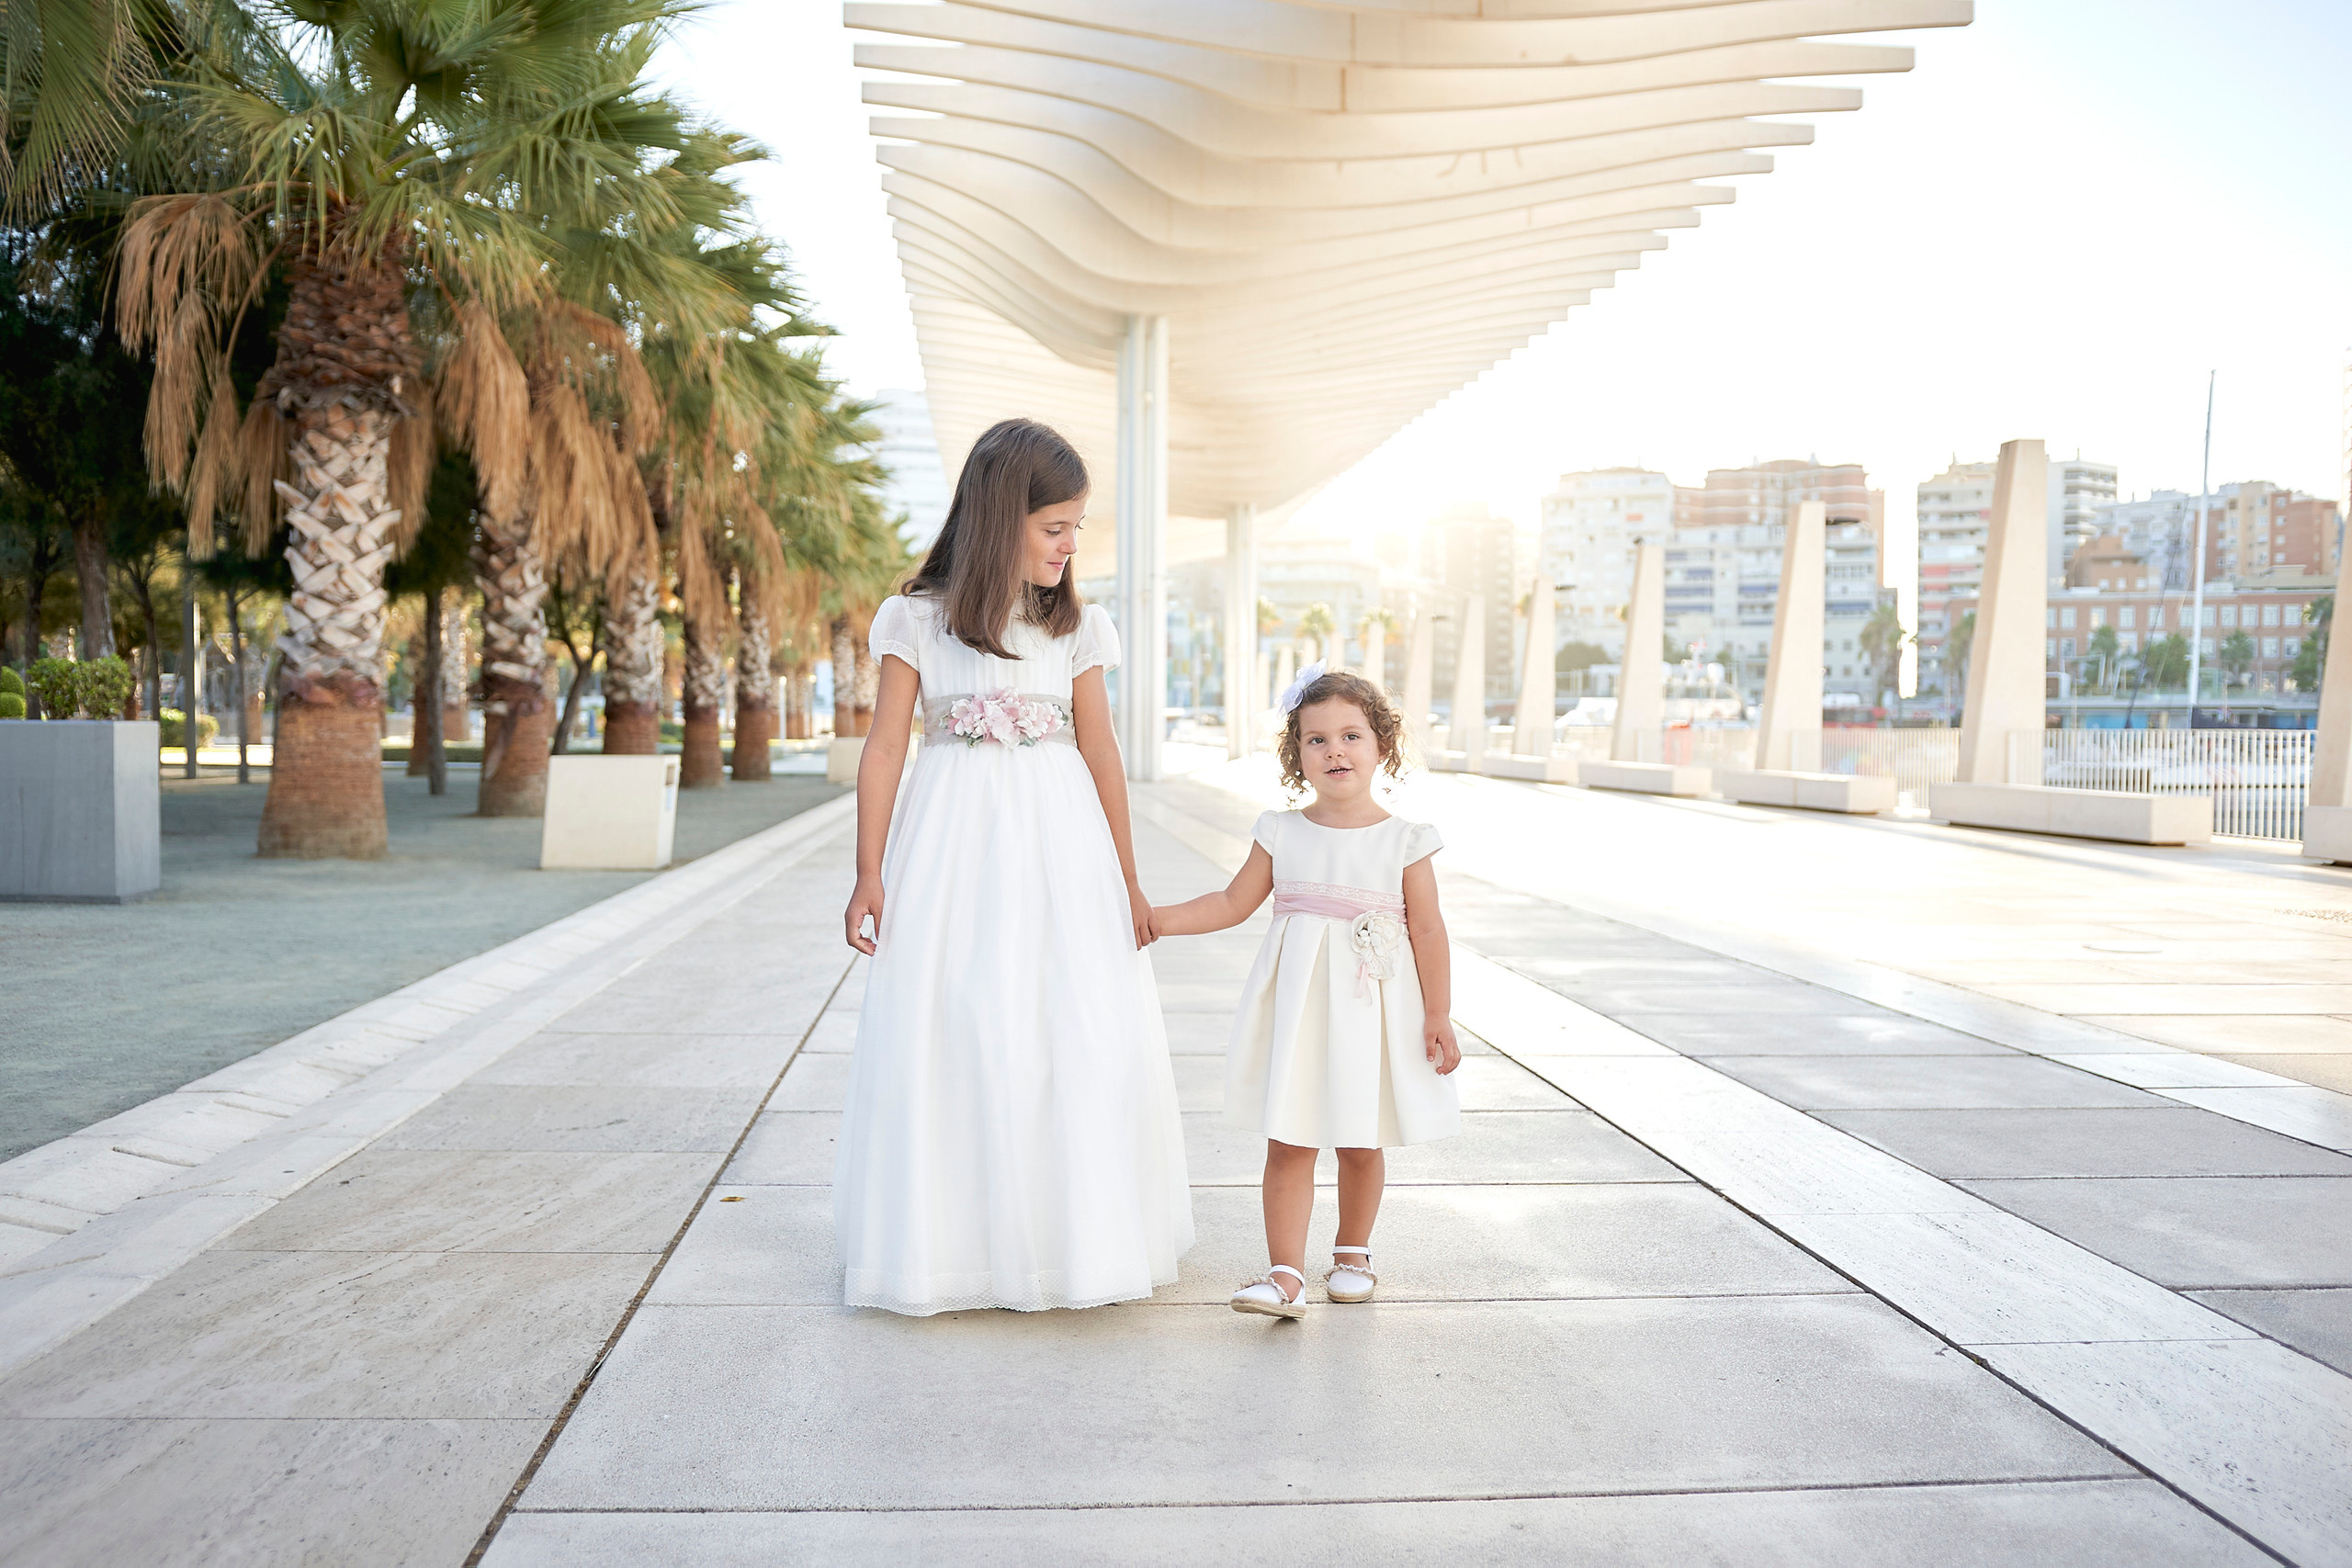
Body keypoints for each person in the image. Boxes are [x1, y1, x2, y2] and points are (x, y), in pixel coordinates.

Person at [835, 418, 1193, 1314]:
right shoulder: (914, 619)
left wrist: (1128, 879)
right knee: (954, 1016)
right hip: (951, 841)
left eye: (1076, 527)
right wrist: (868, 872)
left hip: (1059, 841)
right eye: (1055, 526)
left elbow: (1102, 752)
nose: (1072, 546)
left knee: (1066, 1019)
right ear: (1001, 518)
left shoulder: (1078, 624)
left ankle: (1066, 1241)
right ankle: (952, 1248)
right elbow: (883, 751)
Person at [1151, 664, 1461, 1319]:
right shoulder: (1281, 830)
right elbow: (1233, 902)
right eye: (1316, 740)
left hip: (1368, 1013)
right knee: (1289, 1137)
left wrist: (1438, 1012)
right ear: (1298, 754)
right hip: (1298, 1011)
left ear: (1383, 744)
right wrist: (1160, 919)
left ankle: (1353, 1250)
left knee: (1359, 1135)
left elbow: (1429, 930)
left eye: (1351, 735)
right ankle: (1284, 1273)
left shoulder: (1404, 841)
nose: (1335, 751)